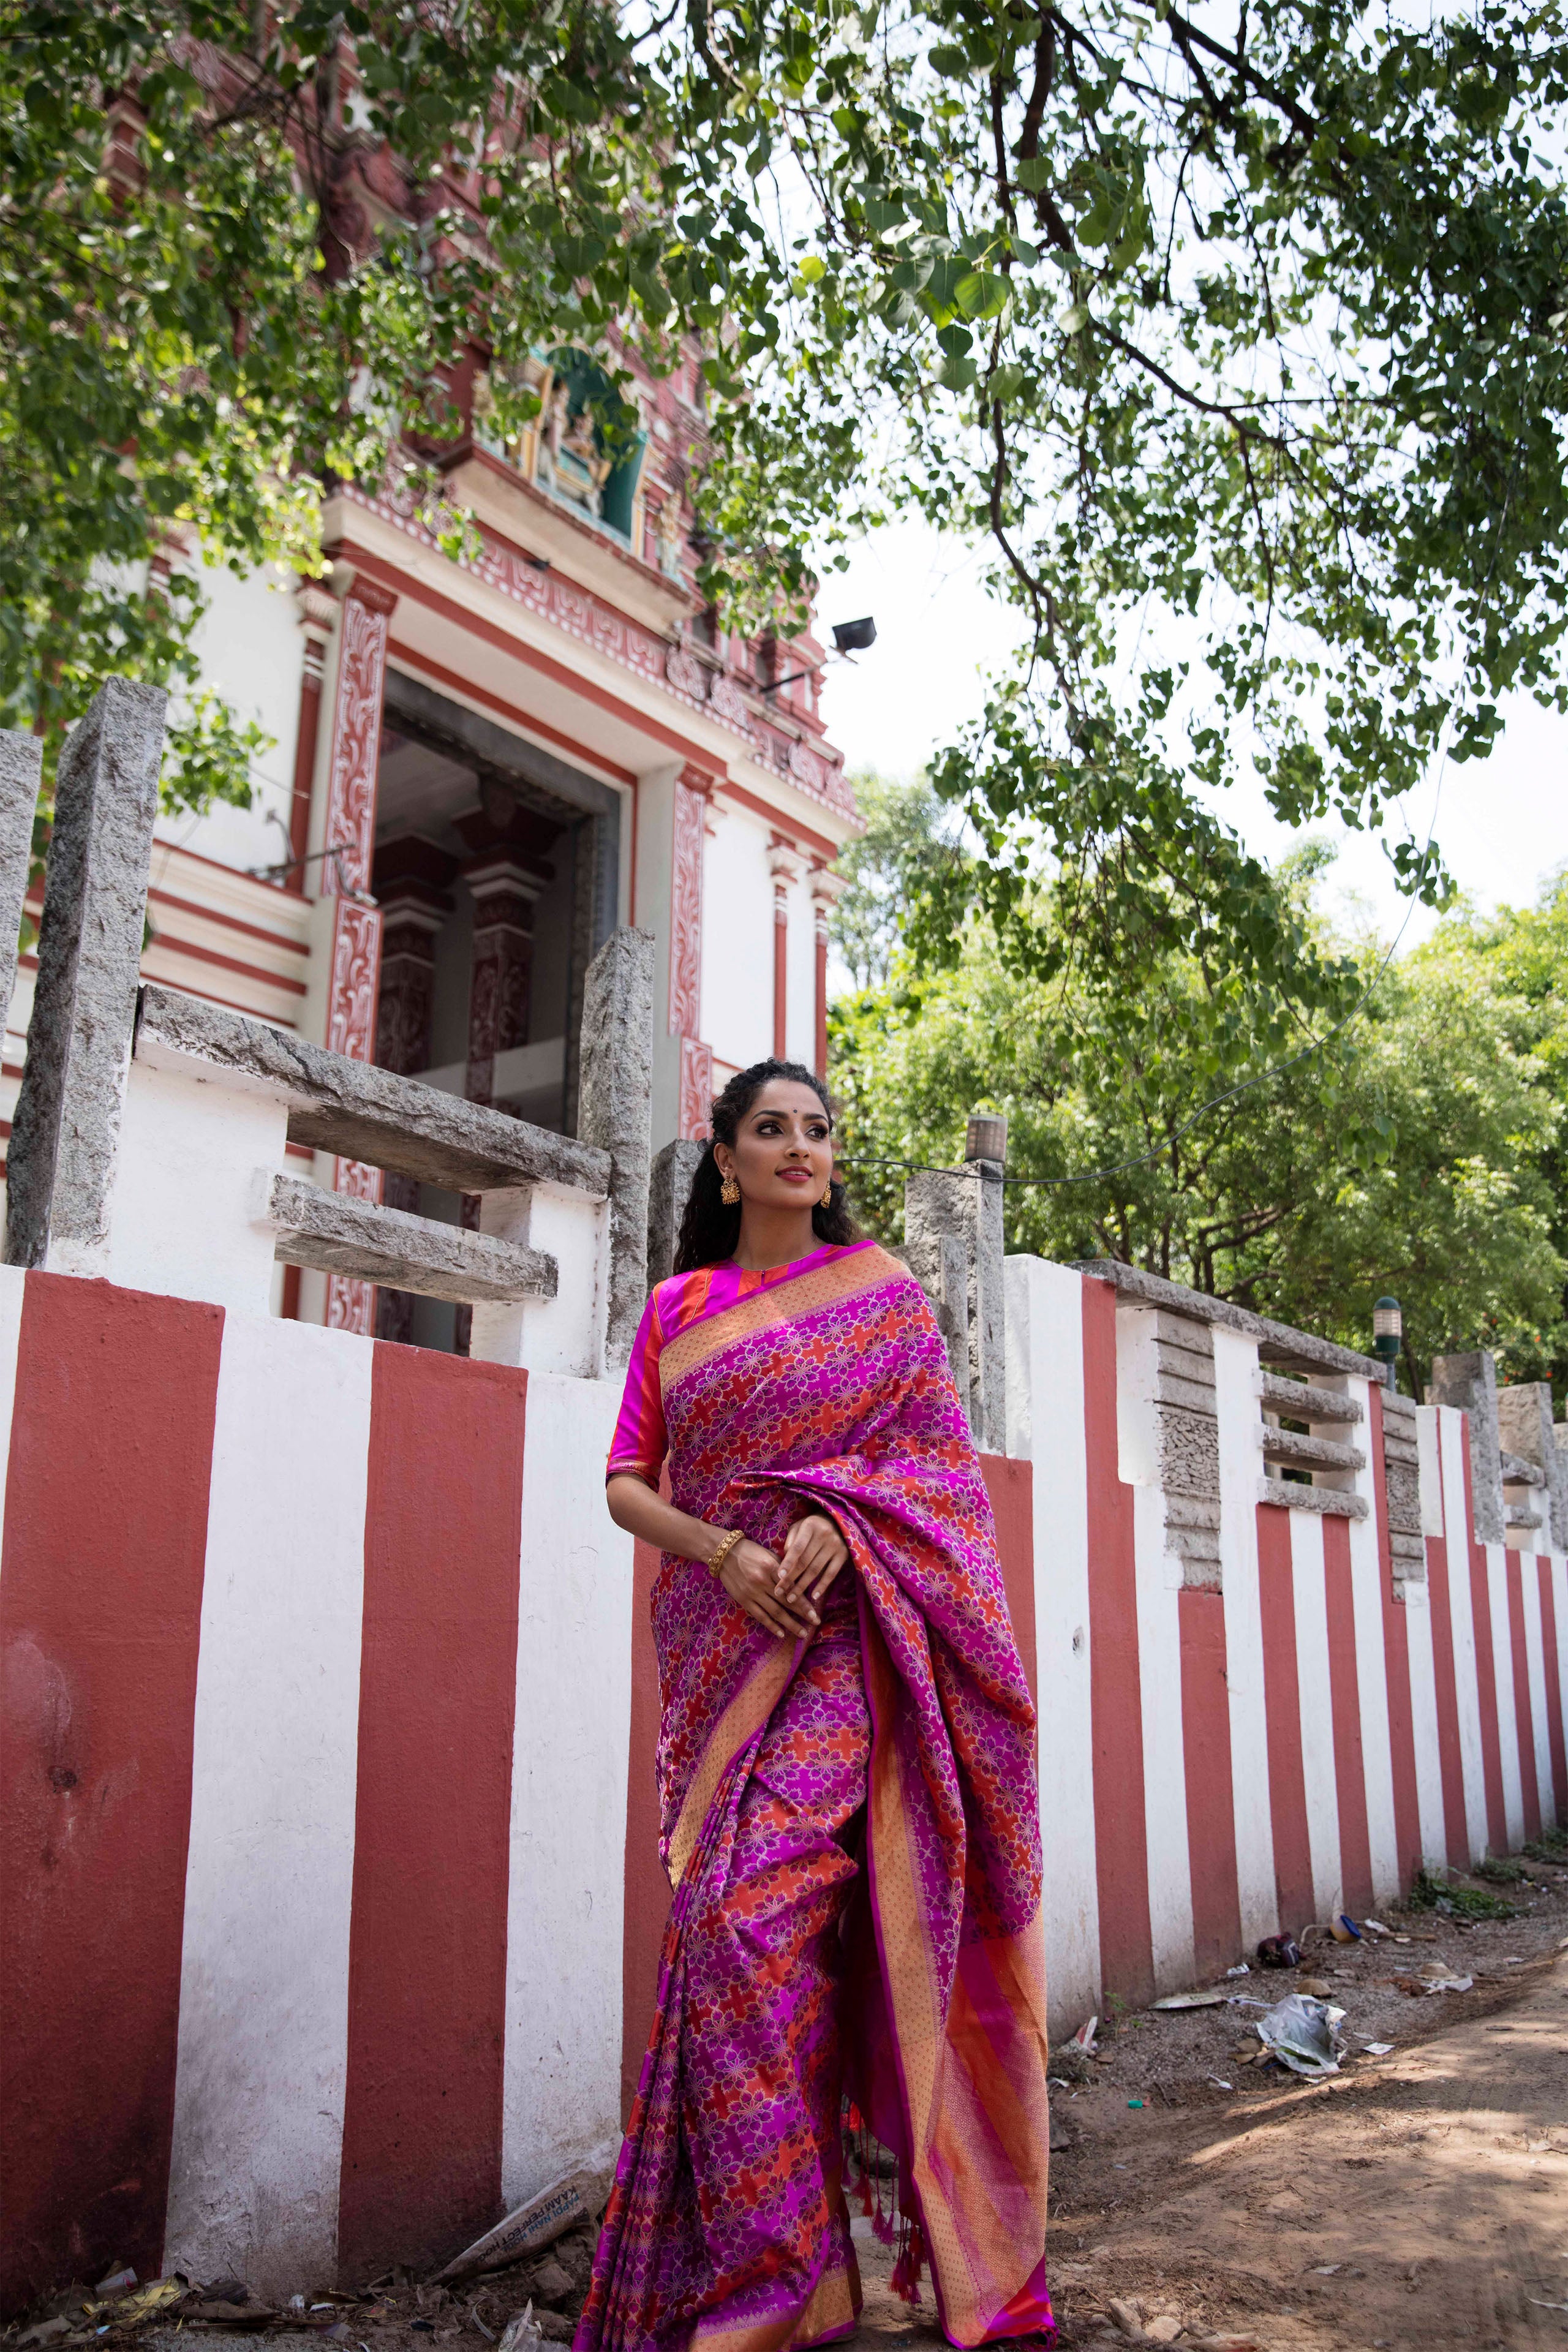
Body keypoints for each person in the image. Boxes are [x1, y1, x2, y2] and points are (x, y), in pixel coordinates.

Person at [575, 1061, 1054, 2352]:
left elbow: (935, 1470)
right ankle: (784, 2274)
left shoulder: (885, 1299)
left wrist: (849, 1515)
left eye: (817, 1130)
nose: (799, 1146)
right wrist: (721, 1552)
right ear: (723, 1161)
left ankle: (796, 2278)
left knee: (749, 1912)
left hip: (854, 1647)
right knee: (739, 1949)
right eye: (770, 1130)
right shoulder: (676, 1310)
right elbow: (625, 1482)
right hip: (723, 1648)